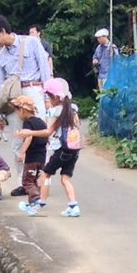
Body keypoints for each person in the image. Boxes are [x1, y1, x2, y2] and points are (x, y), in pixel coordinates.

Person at [0, 15, 51, 153]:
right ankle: (23, 175)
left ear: (2, 31)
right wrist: (1, 114)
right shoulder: (1, 56)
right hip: (13, 98)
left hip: (33, 90)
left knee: (39, 135)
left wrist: (47, 98)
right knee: (18, 139)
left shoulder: (32, 42)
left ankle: (42, 174)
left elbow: (45, 69)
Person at [36, 78, 82, 217]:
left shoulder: (57, 111)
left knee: (45, 173)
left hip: (62, 150)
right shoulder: (72, 109)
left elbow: (48, 131)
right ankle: (73, 206)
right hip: (74, 150)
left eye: (49, 97)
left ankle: (39, 203)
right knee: (65, 179)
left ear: (55, 97)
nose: (48, 101)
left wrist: (29, 133)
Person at [9, 95, 49, 210]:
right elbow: (46, 137)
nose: (17, 114)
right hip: (41, 158)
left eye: (17, 111)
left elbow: (29, 137)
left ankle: (36, 199)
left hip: (32, 158)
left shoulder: (27, 124)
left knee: (27, 182)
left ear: (23, 110)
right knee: (35, 181)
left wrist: (22, 153)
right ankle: (32, 204)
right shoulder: (41, 122)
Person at [92, 27, 117, 92]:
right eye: (97, 38)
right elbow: (95, 57)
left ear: (105, 37)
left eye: (99, 38)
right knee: (102, 95)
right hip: (100, 75)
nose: (98, 40)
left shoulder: (112, 47)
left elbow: (117, 60)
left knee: (108, 94)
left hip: (109, 75)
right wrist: (94, 61)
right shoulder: (98, 48)